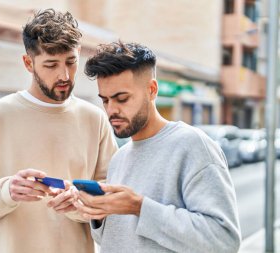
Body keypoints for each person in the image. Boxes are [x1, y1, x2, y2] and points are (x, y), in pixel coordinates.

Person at [0, 9, 117, 253]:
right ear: (28, 63)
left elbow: (112, 192)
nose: (64, 75)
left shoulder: (95, 119)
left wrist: (79, 202)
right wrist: (7, 191)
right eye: (51, 64)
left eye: (71, 62)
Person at [74, 41, 241, 253]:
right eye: (105, 100)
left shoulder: (192, 145)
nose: (111, 110)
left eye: (122, 99)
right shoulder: (120, 157)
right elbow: (115, 238)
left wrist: (139, 207)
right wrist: (97, 214)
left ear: (152, 90)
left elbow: (224, 241)